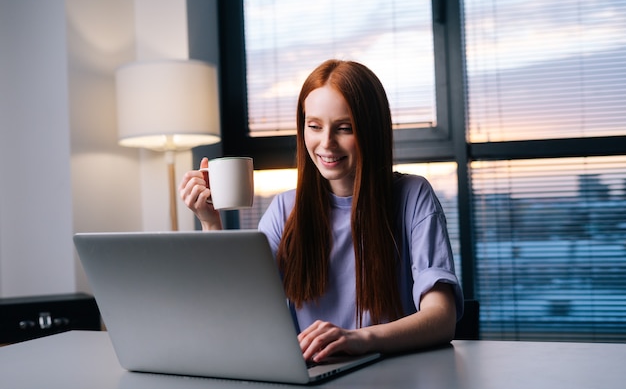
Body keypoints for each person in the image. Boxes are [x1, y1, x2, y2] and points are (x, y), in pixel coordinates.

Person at [179, 59, 464, 363]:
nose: (326, 143)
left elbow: (442, 317)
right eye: (314, 126)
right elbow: (241, 310)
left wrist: (359, 339)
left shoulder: (412, 196)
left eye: (344, 128)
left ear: (371, 131)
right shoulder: (283, 209)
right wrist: (210, 224)